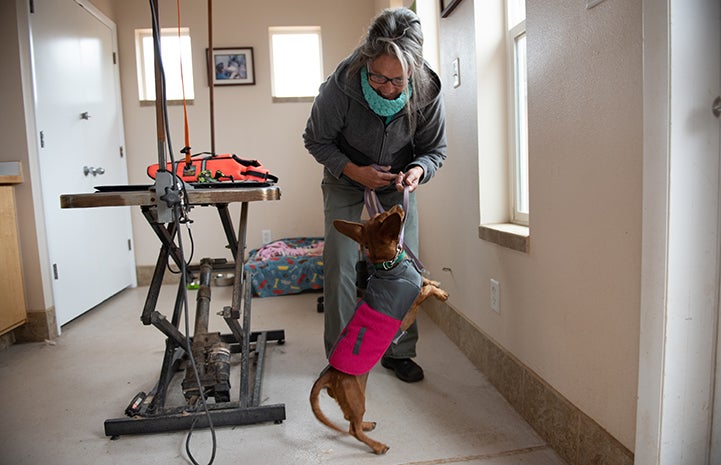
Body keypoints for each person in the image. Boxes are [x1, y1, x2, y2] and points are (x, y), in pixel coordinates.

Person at [303, 7, 447, 383]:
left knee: (405, 274)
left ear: (413, 70)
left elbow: (434, 151)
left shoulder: (428, 90)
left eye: (397, 81)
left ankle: (399, 351)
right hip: (346, 179)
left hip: (397, 184)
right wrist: (355, 171)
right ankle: (340, 357)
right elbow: (315, 139)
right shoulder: (341, 86)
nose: (386, 87)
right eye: (378, 77)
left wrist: (418, 171)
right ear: (366, 61)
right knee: (341, 264)